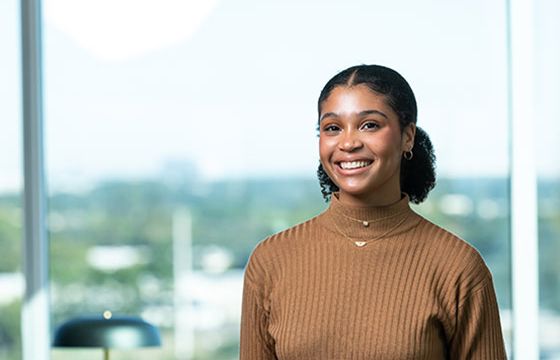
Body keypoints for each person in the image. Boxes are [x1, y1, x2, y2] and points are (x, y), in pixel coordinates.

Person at [239, 64, 507, 359]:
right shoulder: (270, 261)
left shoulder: (458, 267)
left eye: (369, 125)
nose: (349, 142)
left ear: (407, 136)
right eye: (332, 128)